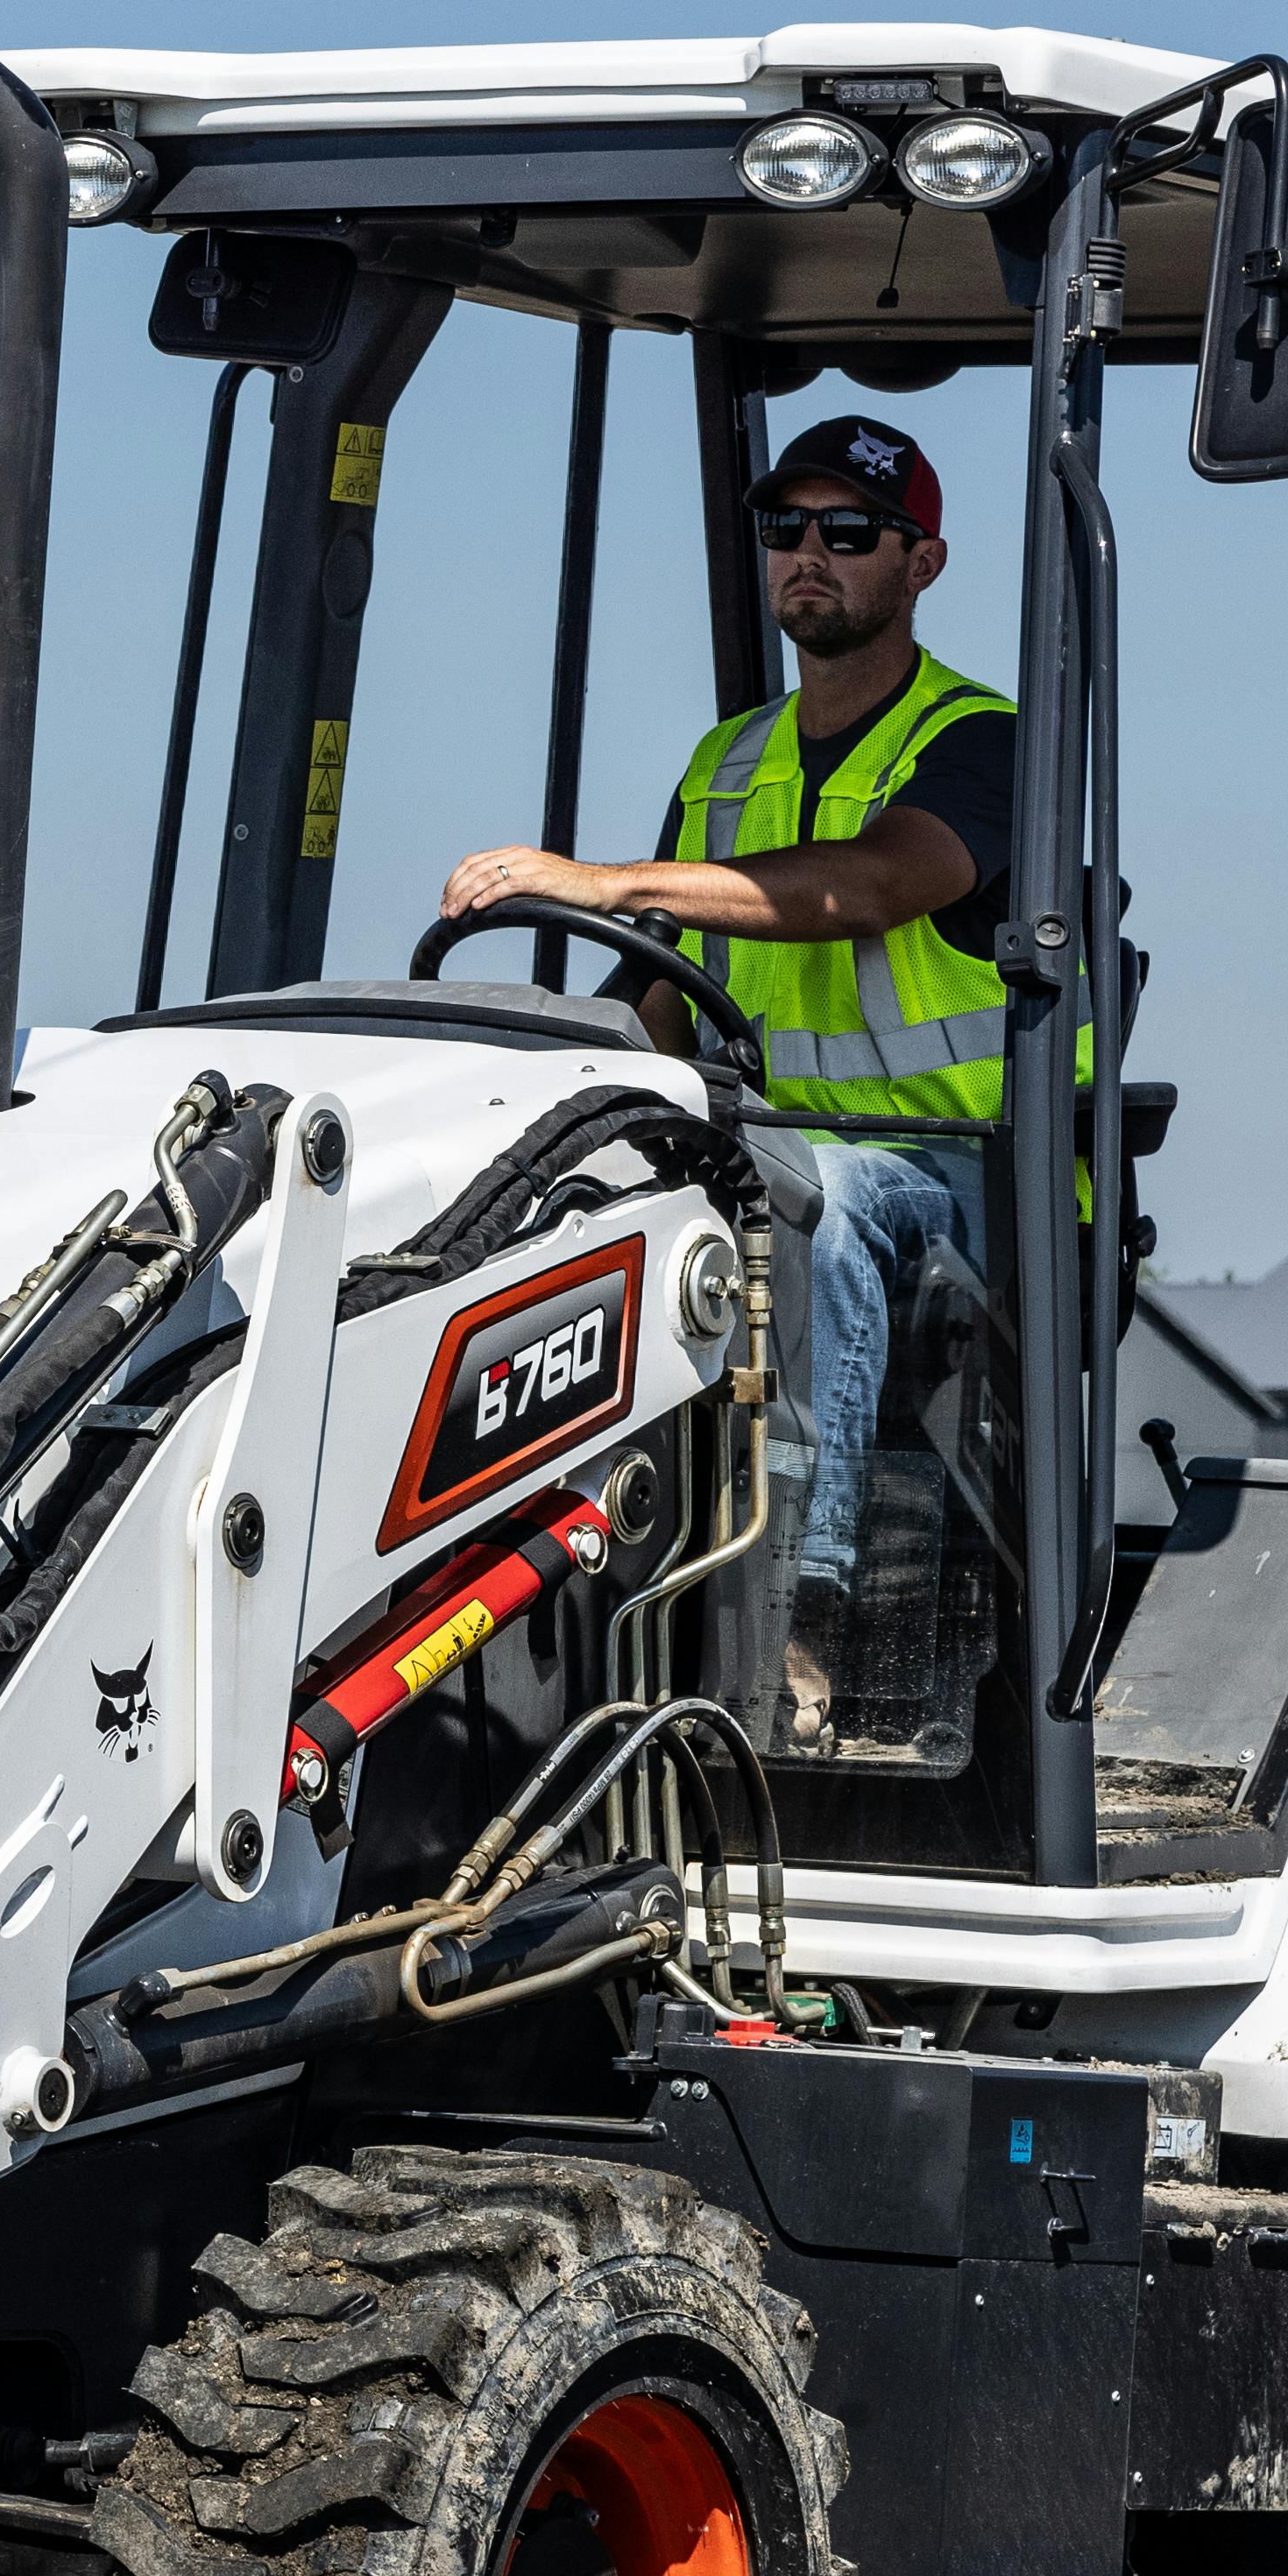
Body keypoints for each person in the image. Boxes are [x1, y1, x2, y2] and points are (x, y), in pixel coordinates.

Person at [435, 412, 1017, 1728]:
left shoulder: (982, 744)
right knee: (567, 1196)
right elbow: (656, 994)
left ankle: (805, 1623)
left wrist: (598, 876)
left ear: (921, 564)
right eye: (786, 529)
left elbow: (874, 884)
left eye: (849, 531)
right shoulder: (727, 764)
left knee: (821, 1202)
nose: (810, 553)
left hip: (956, 1173)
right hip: (766, 1147)